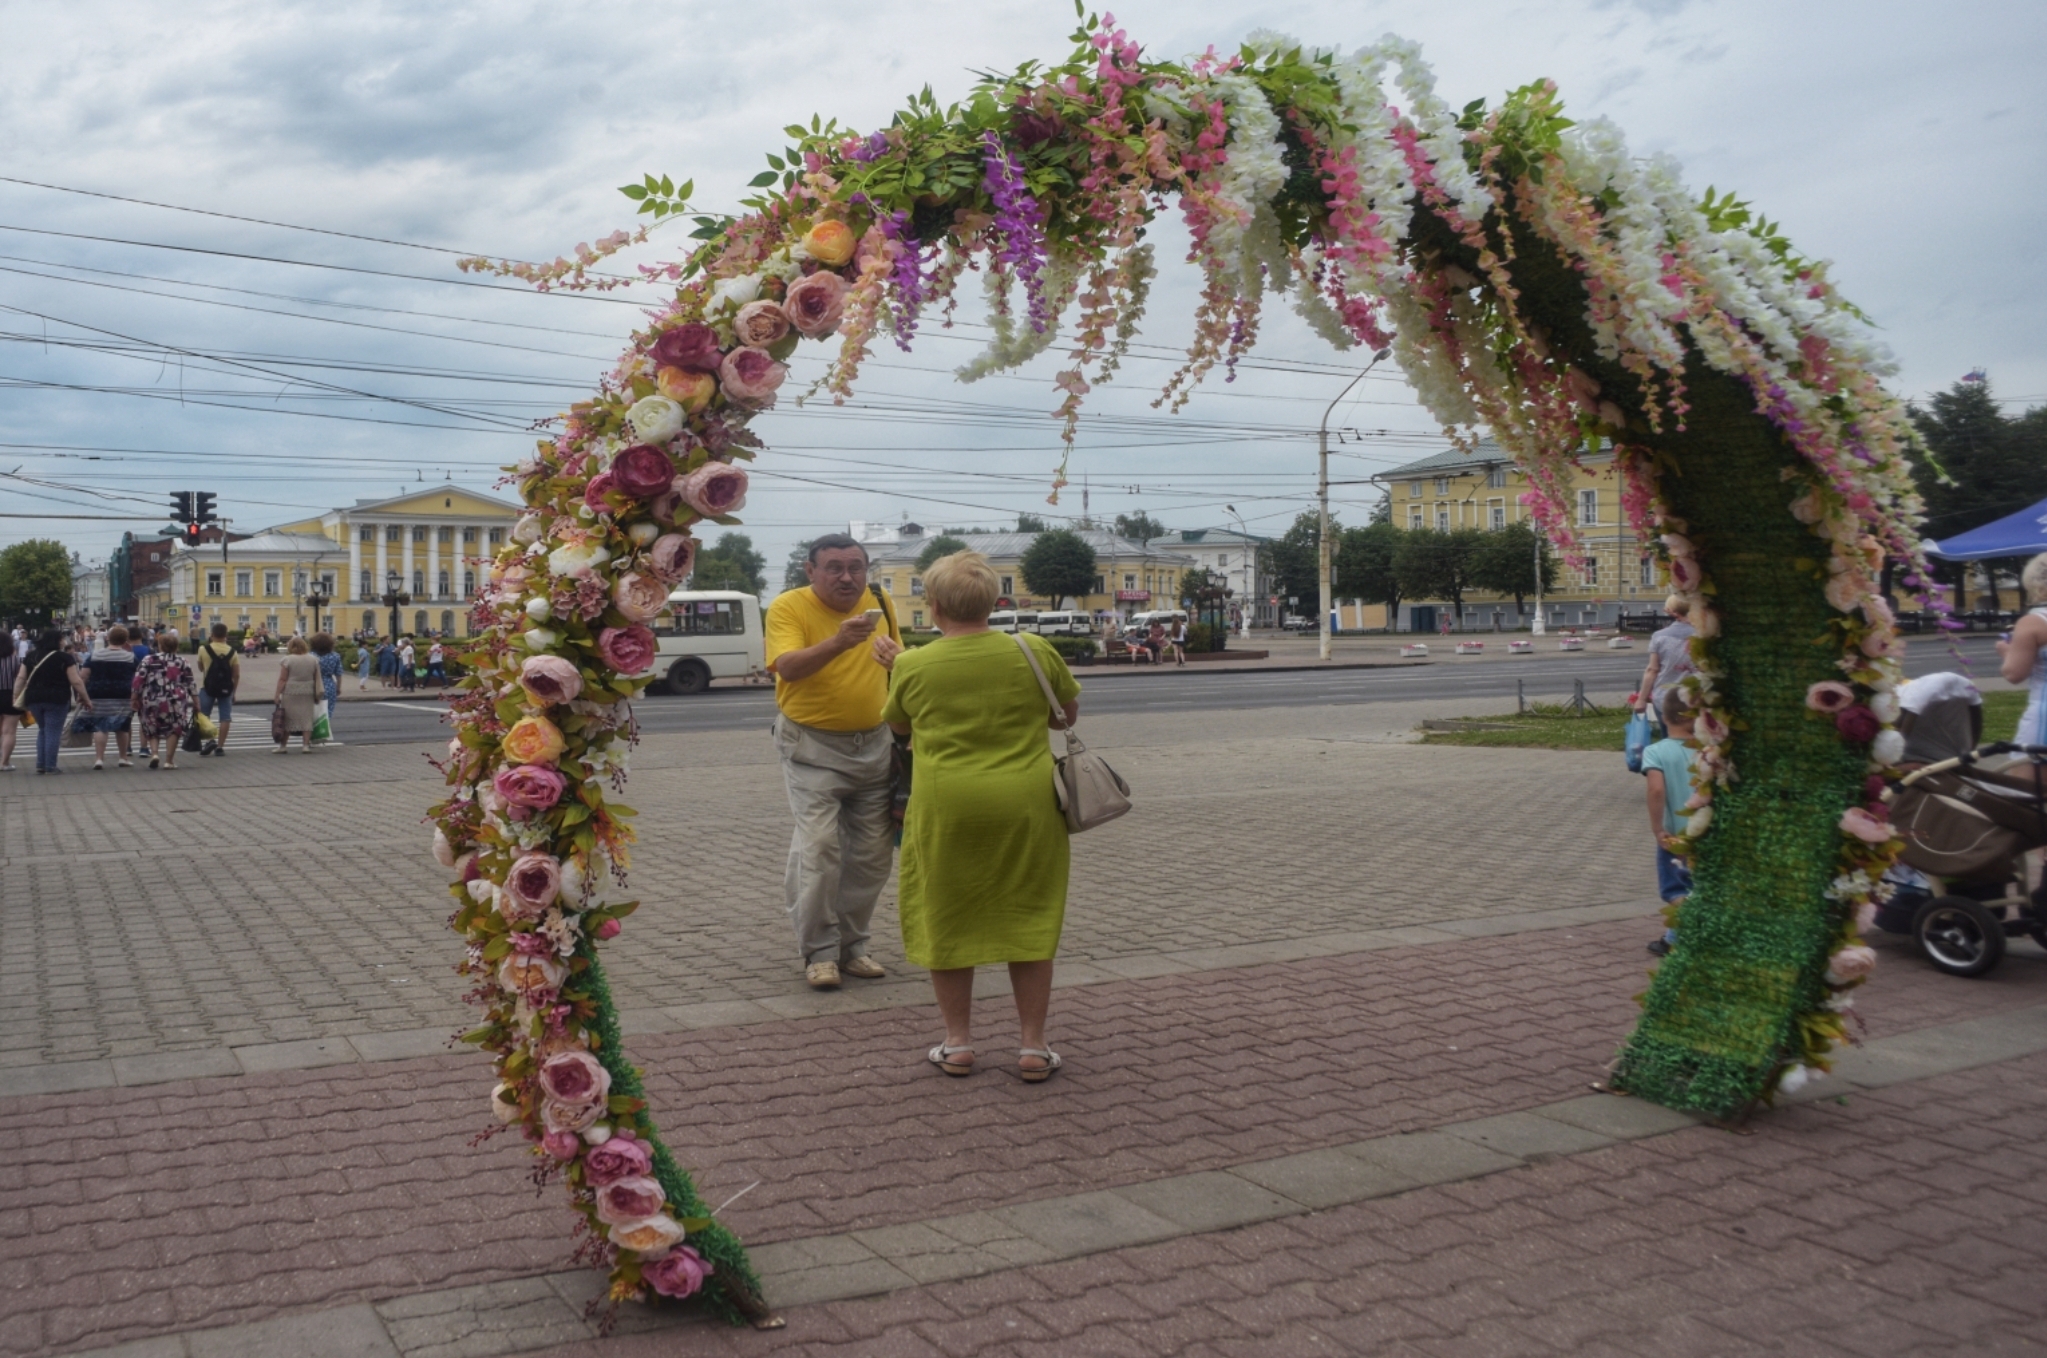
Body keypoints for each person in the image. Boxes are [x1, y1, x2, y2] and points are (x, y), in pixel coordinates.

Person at [884, 552, 1081, 1081]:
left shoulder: (912, 663)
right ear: (996, 602)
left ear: (935, 605)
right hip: (1027, 805)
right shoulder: (1033, 648)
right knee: (1030, 916)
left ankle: (958, 1044)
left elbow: (900, 731)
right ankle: (1034, 1047)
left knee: (945, 913)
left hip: (946, 807)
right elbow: (1065, 714)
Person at [764, 532, 904, 990]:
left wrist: (900, 662)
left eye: (856, 567)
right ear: (811, 570)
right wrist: (840, 642)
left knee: (871, 856)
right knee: (821, 848)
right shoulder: (789, 606)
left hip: (875, 747)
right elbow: (787, 667)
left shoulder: (880, 600)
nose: (847, 577)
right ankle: (820, 953)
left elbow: (896, 665)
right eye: (834, 568)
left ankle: (853, 946)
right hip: (811, 749)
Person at [1641, 688, 1698, 957]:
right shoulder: (1709, 751)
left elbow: (1656, 790)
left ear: (1664, 717)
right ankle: (1672, 938)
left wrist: (1657, 828)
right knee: (1700, 884)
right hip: (1708, 833)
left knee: (1675, 888)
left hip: (1675, 836)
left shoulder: (1656, 751)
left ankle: (1690, 933)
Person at [19, 627, 90, 774]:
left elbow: (21, 677)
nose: (64, 642)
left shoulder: (31, 656)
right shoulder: (65, 658)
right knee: (53, 732)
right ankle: (50, 766)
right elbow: (76, 681)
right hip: (57, 698)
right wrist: (85, 697)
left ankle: (40, 764)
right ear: (57, 641)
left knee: (43, 730)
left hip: (34, 698)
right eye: (62, 639)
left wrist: (15, 695)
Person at [1998, 553, 2047, 747]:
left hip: (2044, 715)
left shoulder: (2034, 622)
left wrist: (2006, 652)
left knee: (2026, 774)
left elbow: (2014, 674)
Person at [133, 629, 197, 770]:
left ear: (160, 645)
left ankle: (155, 754)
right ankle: (169, 761)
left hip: (151, 698)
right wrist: (197, 703)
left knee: (152, 726)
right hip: (176, 700)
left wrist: (134, 698)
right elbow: (191, 683)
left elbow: (138, 680)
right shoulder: (182, 661)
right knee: (175, 729)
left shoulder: (148, 660)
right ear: (176, 646)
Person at [1633, 595, 1697, 733]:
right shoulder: (1704, 635)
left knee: (1669, 739)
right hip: (1696, 699)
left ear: (1671, 610)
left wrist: (1641, 699)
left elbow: (1652, 670)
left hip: (1665, 699)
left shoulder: (1660, 637)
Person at [83, 625, 138, 769]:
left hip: (98, 693)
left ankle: (99, 759)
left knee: (101, 727)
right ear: (125, 640)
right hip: (123, 695)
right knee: (122, 728)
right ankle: (123, 758)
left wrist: (81, 694)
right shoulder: (130, 657)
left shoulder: (95, 655)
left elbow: (84, 675)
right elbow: (137, 678)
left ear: (108, 638)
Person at [196, 623, 240, 756]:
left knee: (204, 716)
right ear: (226, 635)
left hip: (207, 687)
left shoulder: (203, 649)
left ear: (212, 634)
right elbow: (236, 675)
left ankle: (210, 740)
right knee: (225, 717)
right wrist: (234, 692)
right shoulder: (232, 651)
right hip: (226, 688)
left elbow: (201, 668)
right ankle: (220, 747)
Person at [273, 635, 322, 752]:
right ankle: (305, 746)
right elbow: (317, 679)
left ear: (291, 647)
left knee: (287, 719)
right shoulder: (313, 659)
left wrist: (277, 694)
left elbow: (282, 679)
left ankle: (283, 746)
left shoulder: (287, 659)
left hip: (291, 691)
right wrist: (317, 694)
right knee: (307, 718)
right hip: (308, 690)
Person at [311, 632, 342, 737]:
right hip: (329, 684)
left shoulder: (311, 656)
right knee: (327, 710)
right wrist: (338, 688)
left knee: (313, 710)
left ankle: (311, 733)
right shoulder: (335, 656)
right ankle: (323, 732)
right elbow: (339, 673)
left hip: (313, 684)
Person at [0, 642, 18, 772]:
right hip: (10, 696)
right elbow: (21, 678)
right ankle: (4, 762)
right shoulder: (15, 660)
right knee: (9, 732)